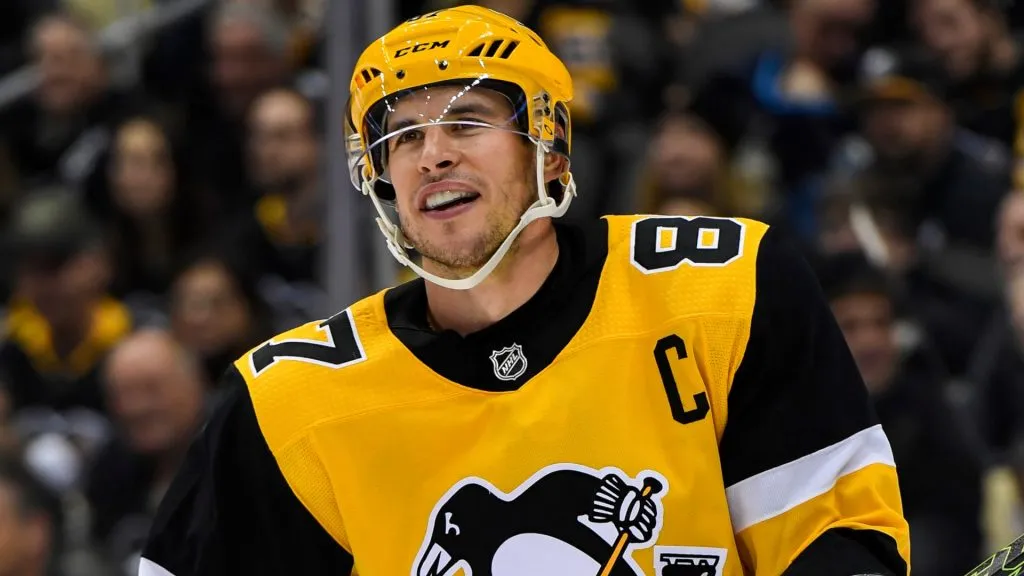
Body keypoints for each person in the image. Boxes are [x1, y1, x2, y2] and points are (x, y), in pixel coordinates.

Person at [139, 6, 910, 576]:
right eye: (399, 137)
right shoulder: (292, 403)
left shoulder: (722, 288)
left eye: (467, 123)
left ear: (549, 149)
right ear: (377, 179)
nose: (431, 155)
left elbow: (832, 538)